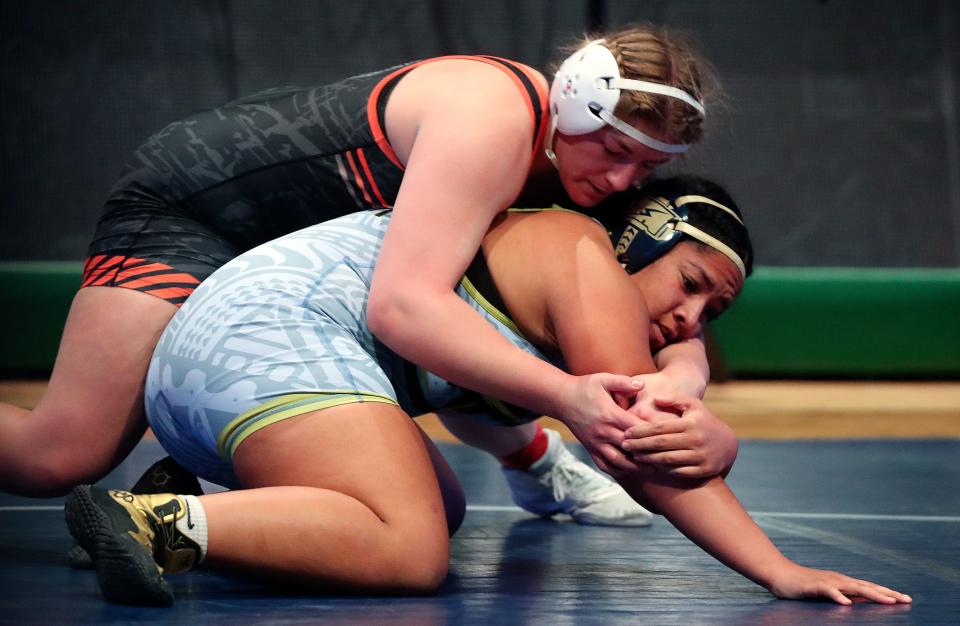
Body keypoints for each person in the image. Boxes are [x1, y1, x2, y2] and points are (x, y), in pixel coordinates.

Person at [65, 178, 910, 607]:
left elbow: (610, 394)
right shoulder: (585, 258)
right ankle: (151, 526)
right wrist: (778, 570)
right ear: (641, 238)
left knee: (440, 507)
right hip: (265, 343)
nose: (688, 316)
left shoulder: (542, 269)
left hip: (216, 371)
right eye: (689, 283)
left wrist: (689, 376)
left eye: (709, 312)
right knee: (410, 546)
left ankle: (183, 496)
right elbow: (641, 453)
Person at [1, 26, 713, 500]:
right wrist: (564, 405)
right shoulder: (495, 121)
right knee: (58, 455)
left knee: (438, 457)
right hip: (192, 210)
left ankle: (530, 466)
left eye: (645, 169)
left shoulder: (570, 168)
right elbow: (406, 308)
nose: (623, 182)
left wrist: (689, 367)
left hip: (281, 265)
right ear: (575, 105)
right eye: (616, 153)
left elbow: (485, 340)